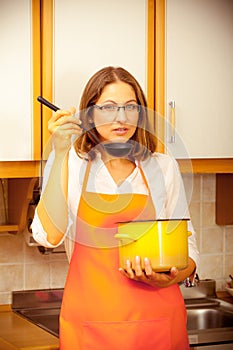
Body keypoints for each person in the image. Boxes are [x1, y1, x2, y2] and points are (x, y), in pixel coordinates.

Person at [32, 66, 199, 350]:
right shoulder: (71, 162)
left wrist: (167, 278)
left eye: (130, 107)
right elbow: (48, 236)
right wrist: (59, 152)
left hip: (159, 325)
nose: (121, 118)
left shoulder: (162, 165)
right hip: (90, 328)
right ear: (89, 114)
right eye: (108, 107)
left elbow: (189, 247)